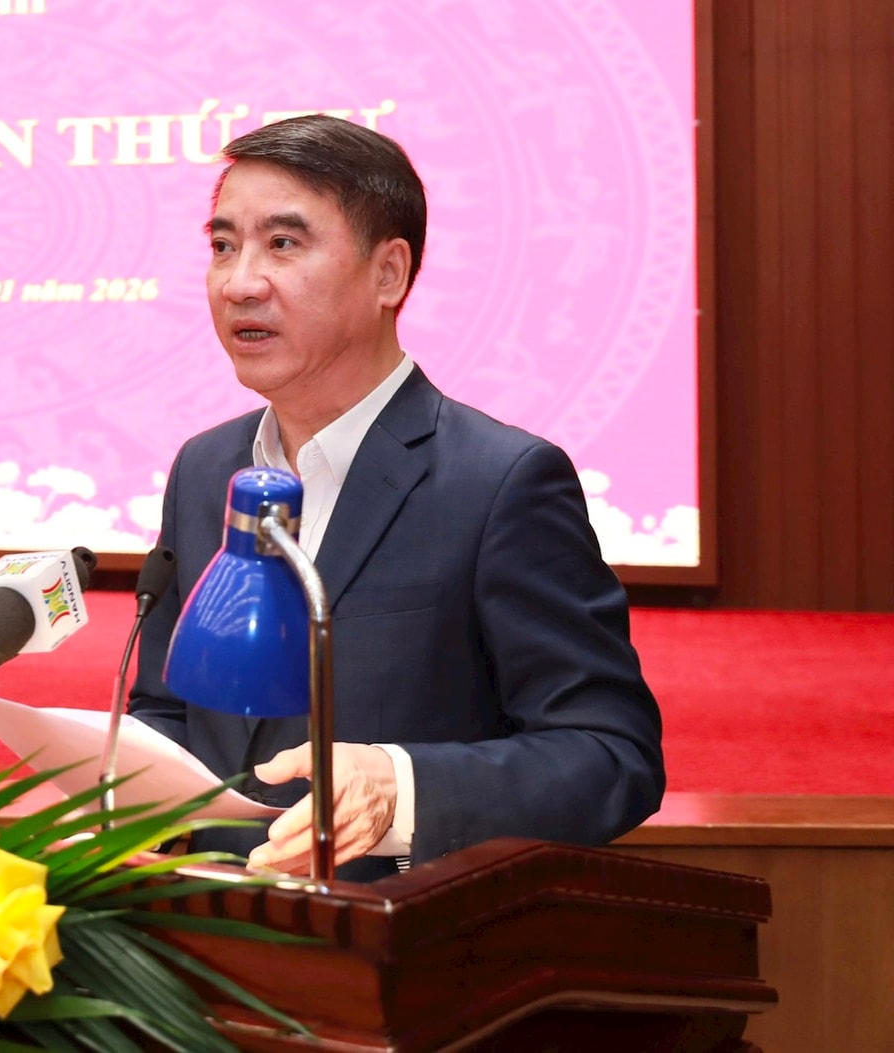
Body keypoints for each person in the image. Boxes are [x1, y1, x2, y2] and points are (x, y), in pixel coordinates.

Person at [128, 114, 663, 883]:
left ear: (389, 273)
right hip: (203, 931)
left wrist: (398, 787)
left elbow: (610, 754)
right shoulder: (207, 468)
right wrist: (138, 803)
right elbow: (169, 709)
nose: (240, 281)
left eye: (283, 243)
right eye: (222, 246)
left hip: (400, 933)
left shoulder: (499, 481)